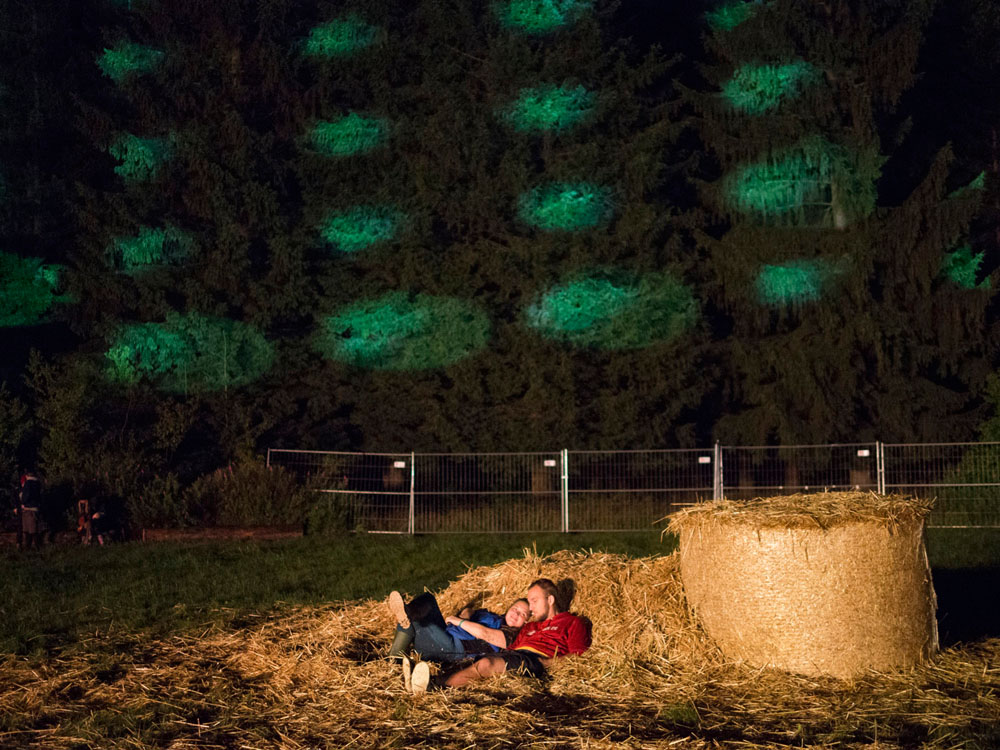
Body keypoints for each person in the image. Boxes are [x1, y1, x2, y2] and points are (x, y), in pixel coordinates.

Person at [439, 578, 590, 692]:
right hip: (515, 655)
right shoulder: (530, 625)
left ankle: (435, 689)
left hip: (535, 660)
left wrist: (547, 663)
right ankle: (427, 681)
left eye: (534, 601)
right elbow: (510, 649)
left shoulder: (573, 622)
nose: (531, 608)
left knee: (487, 664)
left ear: (550, 600)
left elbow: (578, 657)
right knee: (466, 664)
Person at [387, 590, 529, 664]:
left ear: (526, 622)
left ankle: (393, 660)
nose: (516, 614)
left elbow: (485, 634)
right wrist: (466, 614)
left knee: (417, 619)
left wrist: (458, 621)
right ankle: (407, 615)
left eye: (522, 614)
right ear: (509, 608)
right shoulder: (495, 617)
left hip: (454, 650)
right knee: (427, 599)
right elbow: (470, 610)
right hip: (448, 634)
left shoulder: (512, 635)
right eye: (515, 608)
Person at [18, 470, 44, 550]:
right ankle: (31, 547)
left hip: (28, 509)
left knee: (30, 530)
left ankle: (36, 547)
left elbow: (26, 495)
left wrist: (23, 500)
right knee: (32, 529)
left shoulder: (28, 484)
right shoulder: (37, 483)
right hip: (35, 508)